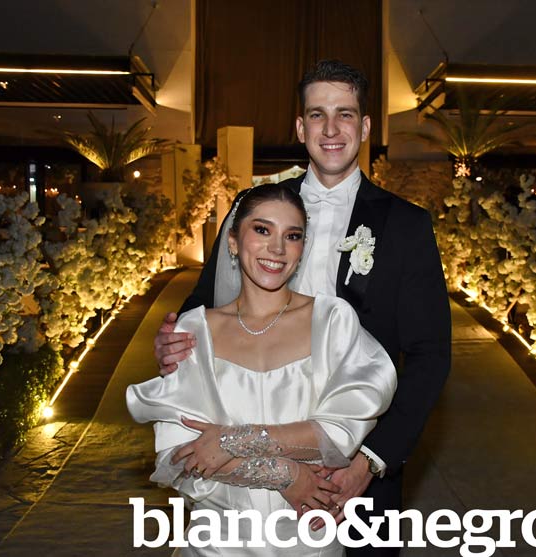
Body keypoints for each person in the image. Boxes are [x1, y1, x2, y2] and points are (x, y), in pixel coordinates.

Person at [154, 60, 451, 555]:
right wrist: (173, 343)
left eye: (345, 114)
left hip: (357, 466)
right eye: (317, 115)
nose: (331, 129)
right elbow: (204, 304)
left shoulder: (407, 226)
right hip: (250, 460)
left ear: (365, 127)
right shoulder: (254, 209)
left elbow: (429, 356)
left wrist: (370, 461)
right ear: (300, 127)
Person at [128, 183, 398, 556]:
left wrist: (230, 441)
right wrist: (285, 474)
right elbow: (179, 454)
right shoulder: (193, 331)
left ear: (303, 248)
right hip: (218, 544)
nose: (277, 248)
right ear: (233, 241)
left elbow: (339, 432)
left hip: (309, 540)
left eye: (292, 236)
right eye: (262, 230)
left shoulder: (333, 321)